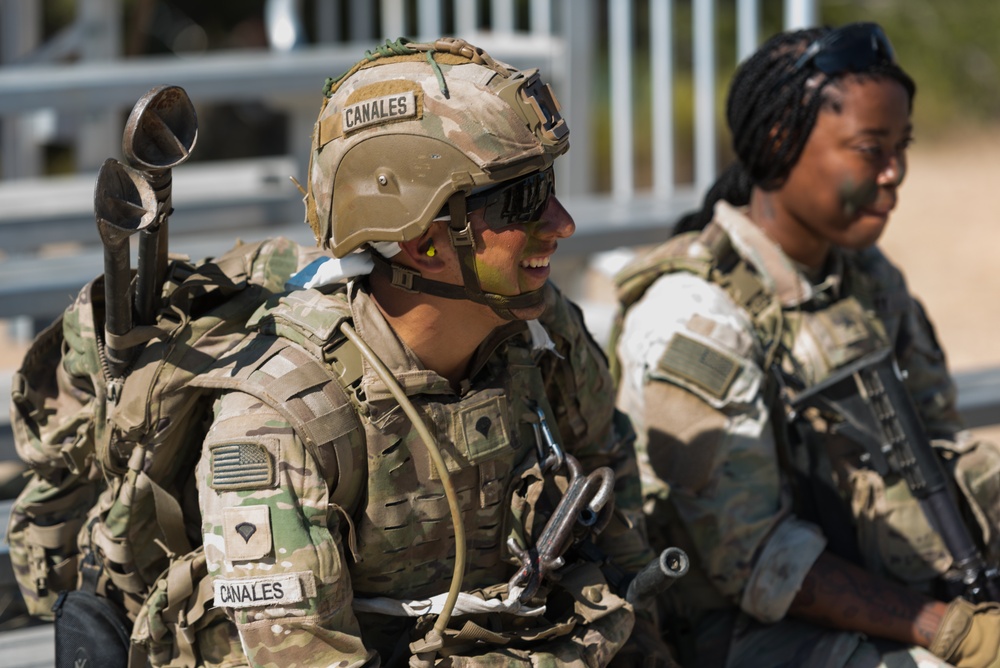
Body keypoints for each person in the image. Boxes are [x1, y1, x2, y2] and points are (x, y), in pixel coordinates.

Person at [194, 37, 669, 667]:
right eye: (524, 199)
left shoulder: (544, 334)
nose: (561, 223)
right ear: (422, 241)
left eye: (548, 185)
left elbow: (618, 528)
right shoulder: (279, 424)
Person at [610, 22, 1000, 668]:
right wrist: (951, 632)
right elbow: (755, 562)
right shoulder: (696, 315)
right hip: (734, 633)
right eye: (870, 149)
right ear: (777, 140)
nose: (895, 172)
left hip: (883, 587)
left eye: (902, 146)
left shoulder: (867, 278)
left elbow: (938, 448)